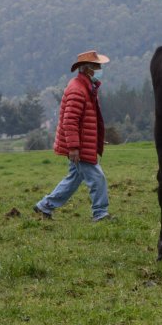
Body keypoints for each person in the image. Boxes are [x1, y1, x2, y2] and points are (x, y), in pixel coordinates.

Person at [34, 50, 112, 222]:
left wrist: (95, 137)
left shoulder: (86, 87)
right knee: (97, 177)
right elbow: (69, 122)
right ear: (87, 69)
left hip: (82, 143)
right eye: (97, 66)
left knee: (73, 179)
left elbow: (85, 121)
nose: (100, 69)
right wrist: (74, 147)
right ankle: (100, 213)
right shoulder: (77, 90)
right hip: (80, 146)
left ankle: (44, 206)